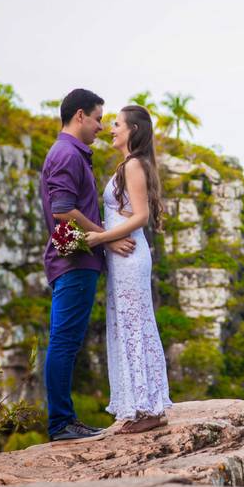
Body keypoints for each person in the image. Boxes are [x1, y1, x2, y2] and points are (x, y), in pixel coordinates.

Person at [40, 88, 137, 441]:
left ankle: (63, 421)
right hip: (75, 259)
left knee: (65, 341)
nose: (101, 126)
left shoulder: (70, 153)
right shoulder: (67, 154)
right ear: (80, 115)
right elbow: (62, 209)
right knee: (64, 342)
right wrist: (107, 236)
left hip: (75, 258)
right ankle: (61, 423)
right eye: (98, 118)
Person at [85, 105, 173, 433]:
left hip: (130, 255)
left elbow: (140, 217)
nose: (111, 129)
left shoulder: (134, 165)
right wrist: (108, 243)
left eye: (118, 124)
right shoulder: (127, 164)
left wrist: (101, 238)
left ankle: (147, 409)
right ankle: (140, 405)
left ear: (132, 130)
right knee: (126, 326)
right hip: (121, 255)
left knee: (135, 327)